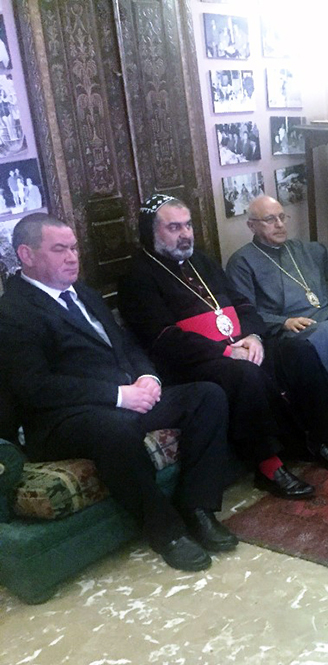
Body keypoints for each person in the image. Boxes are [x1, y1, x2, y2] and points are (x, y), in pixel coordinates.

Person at [0, 213, 239, 572]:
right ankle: (166, 532)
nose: (72, 257)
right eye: (60, 249)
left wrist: (148, 377)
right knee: (116, 431)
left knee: (208, 396)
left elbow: (126, 343)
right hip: (63, 418)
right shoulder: (12, 312)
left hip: (125, 396)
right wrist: (117, 395)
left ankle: (197, 508)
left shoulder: (83, 292)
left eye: (74, 248)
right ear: (26, 255)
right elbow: (36, 387)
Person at [119, 194, 328, 501]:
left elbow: (242, 303)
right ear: (151, 231)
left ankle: (316, 441)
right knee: (244, 375)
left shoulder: (202, 261)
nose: (185, 234)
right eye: (174, 227)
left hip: (239, 344)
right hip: (192, 362)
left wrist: (253, 337)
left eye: (188, 225)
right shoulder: (136, 276)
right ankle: (269, 467)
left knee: (298, 351)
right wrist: (226, 352)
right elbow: (164, 339)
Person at [226, 194, 328, 420]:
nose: (280, 224)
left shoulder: (300, 248)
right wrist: (283, 322)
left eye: (282, 217)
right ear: (252, 226)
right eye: (270, 219)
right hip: (293, 329)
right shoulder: (242, 261)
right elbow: (244, 311)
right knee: (326, 335)